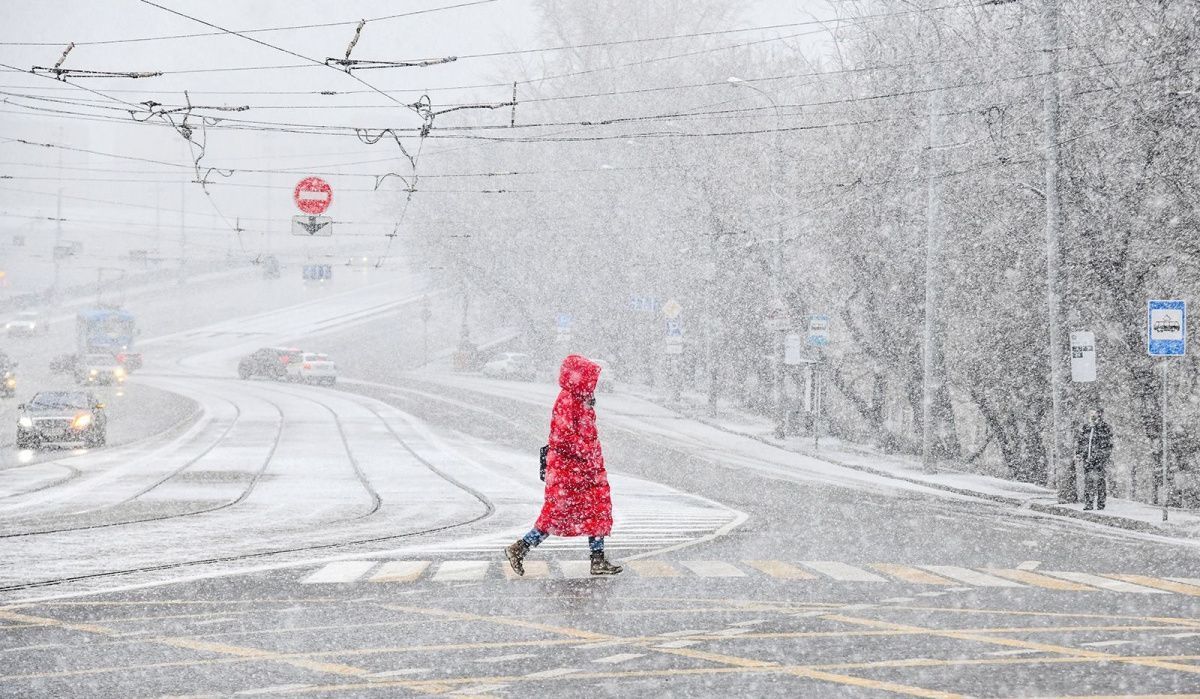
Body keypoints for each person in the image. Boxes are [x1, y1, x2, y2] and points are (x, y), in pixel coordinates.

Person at [505, 354, 622, 576]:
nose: (593, 384)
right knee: (558, 514)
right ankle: (520, 547)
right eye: (590, 378)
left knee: (597, 509)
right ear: (579, 378)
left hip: (585, 469)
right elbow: (563, 437)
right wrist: (587, 452)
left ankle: (597, 560)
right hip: (570, 470)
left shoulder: (581, 399)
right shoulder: (568, 400)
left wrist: (590, 457)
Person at [1075, 408, 1114, 510]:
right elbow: (1081, 442)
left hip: (1099, 460)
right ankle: (1088, 503)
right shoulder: (1086, 427)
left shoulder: (1104, 427)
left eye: (1095, 413)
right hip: (1087, 459)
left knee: (1100, 481)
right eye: (1091, 413)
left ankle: (1101, 503)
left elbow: (1107, 444)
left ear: (1100, 414)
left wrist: (1102, 456)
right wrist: (1079, 453)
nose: (1092, 415)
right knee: (1088, 481)